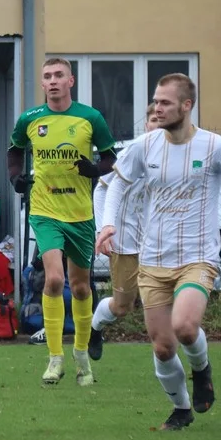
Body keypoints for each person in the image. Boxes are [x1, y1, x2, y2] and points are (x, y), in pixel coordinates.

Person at [96, 73, 221, 430]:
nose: (157, 107)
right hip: (153, 260)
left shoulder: (215, 147)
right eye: (155, 100)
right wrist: (107, 224)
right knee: (163, 348)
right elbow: (117, 183)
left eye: (165, 102)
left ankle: (201, 368)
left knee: (185, 327)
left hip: (197, 257)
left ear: (187, 106)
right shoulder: (146, 145)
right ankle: (182, 409)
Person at [7, 57, 117, 386]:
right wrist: (16, 178)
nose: (53, 81)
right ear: (42, 84)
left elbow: (111, 157)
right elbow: (14, 150)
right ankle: (55, 359)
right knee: (54, 280)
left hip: (80, 214)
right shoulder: (30, 119)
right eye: (47, 76)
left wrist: (95, 169)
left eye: (59, 75)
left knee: (81, 286)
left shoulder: (90, 117)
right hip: (44, 210)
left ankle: (81, 354)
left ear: (71, 81)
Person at [88, 102, 161, 359]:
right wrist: (102, 230)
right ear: (146, 124)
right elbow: (102, 188)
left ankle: (168, 359)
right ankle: (95, 328)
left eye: (163, 120)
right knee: (122, 307)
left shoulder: (178, 156)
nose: (158, 125)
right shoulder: (132, 153)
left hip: (161, 244)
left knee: (163, 305)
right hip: (126, 241)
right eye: (153, 120)